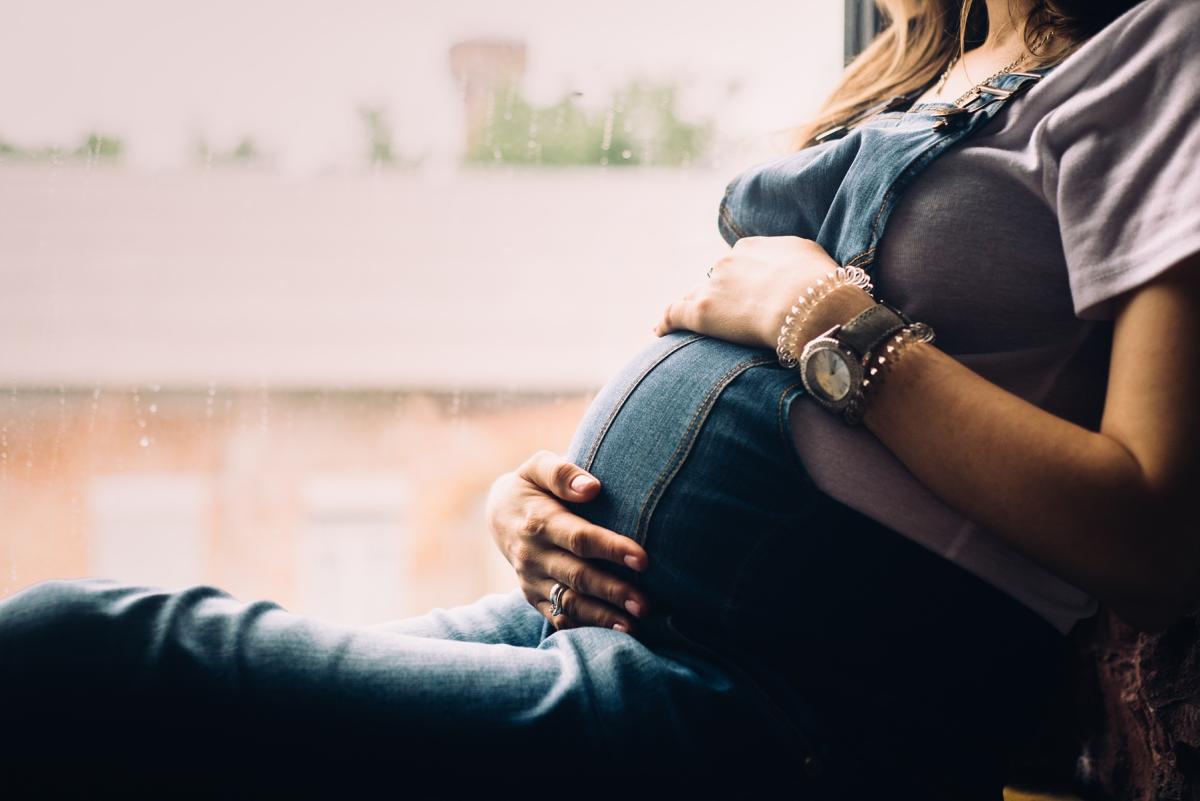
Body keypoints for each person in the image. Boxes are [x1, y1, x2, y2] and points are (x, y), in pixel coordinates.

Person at [2, 0, 1197, 798]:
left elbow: (1151, 535)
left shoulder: (1161, 51)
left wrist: (827, 324)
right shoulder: (931, 66)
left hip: (785, 709)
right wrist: (542, 506)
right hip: (612, 630)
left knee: (75, 656)